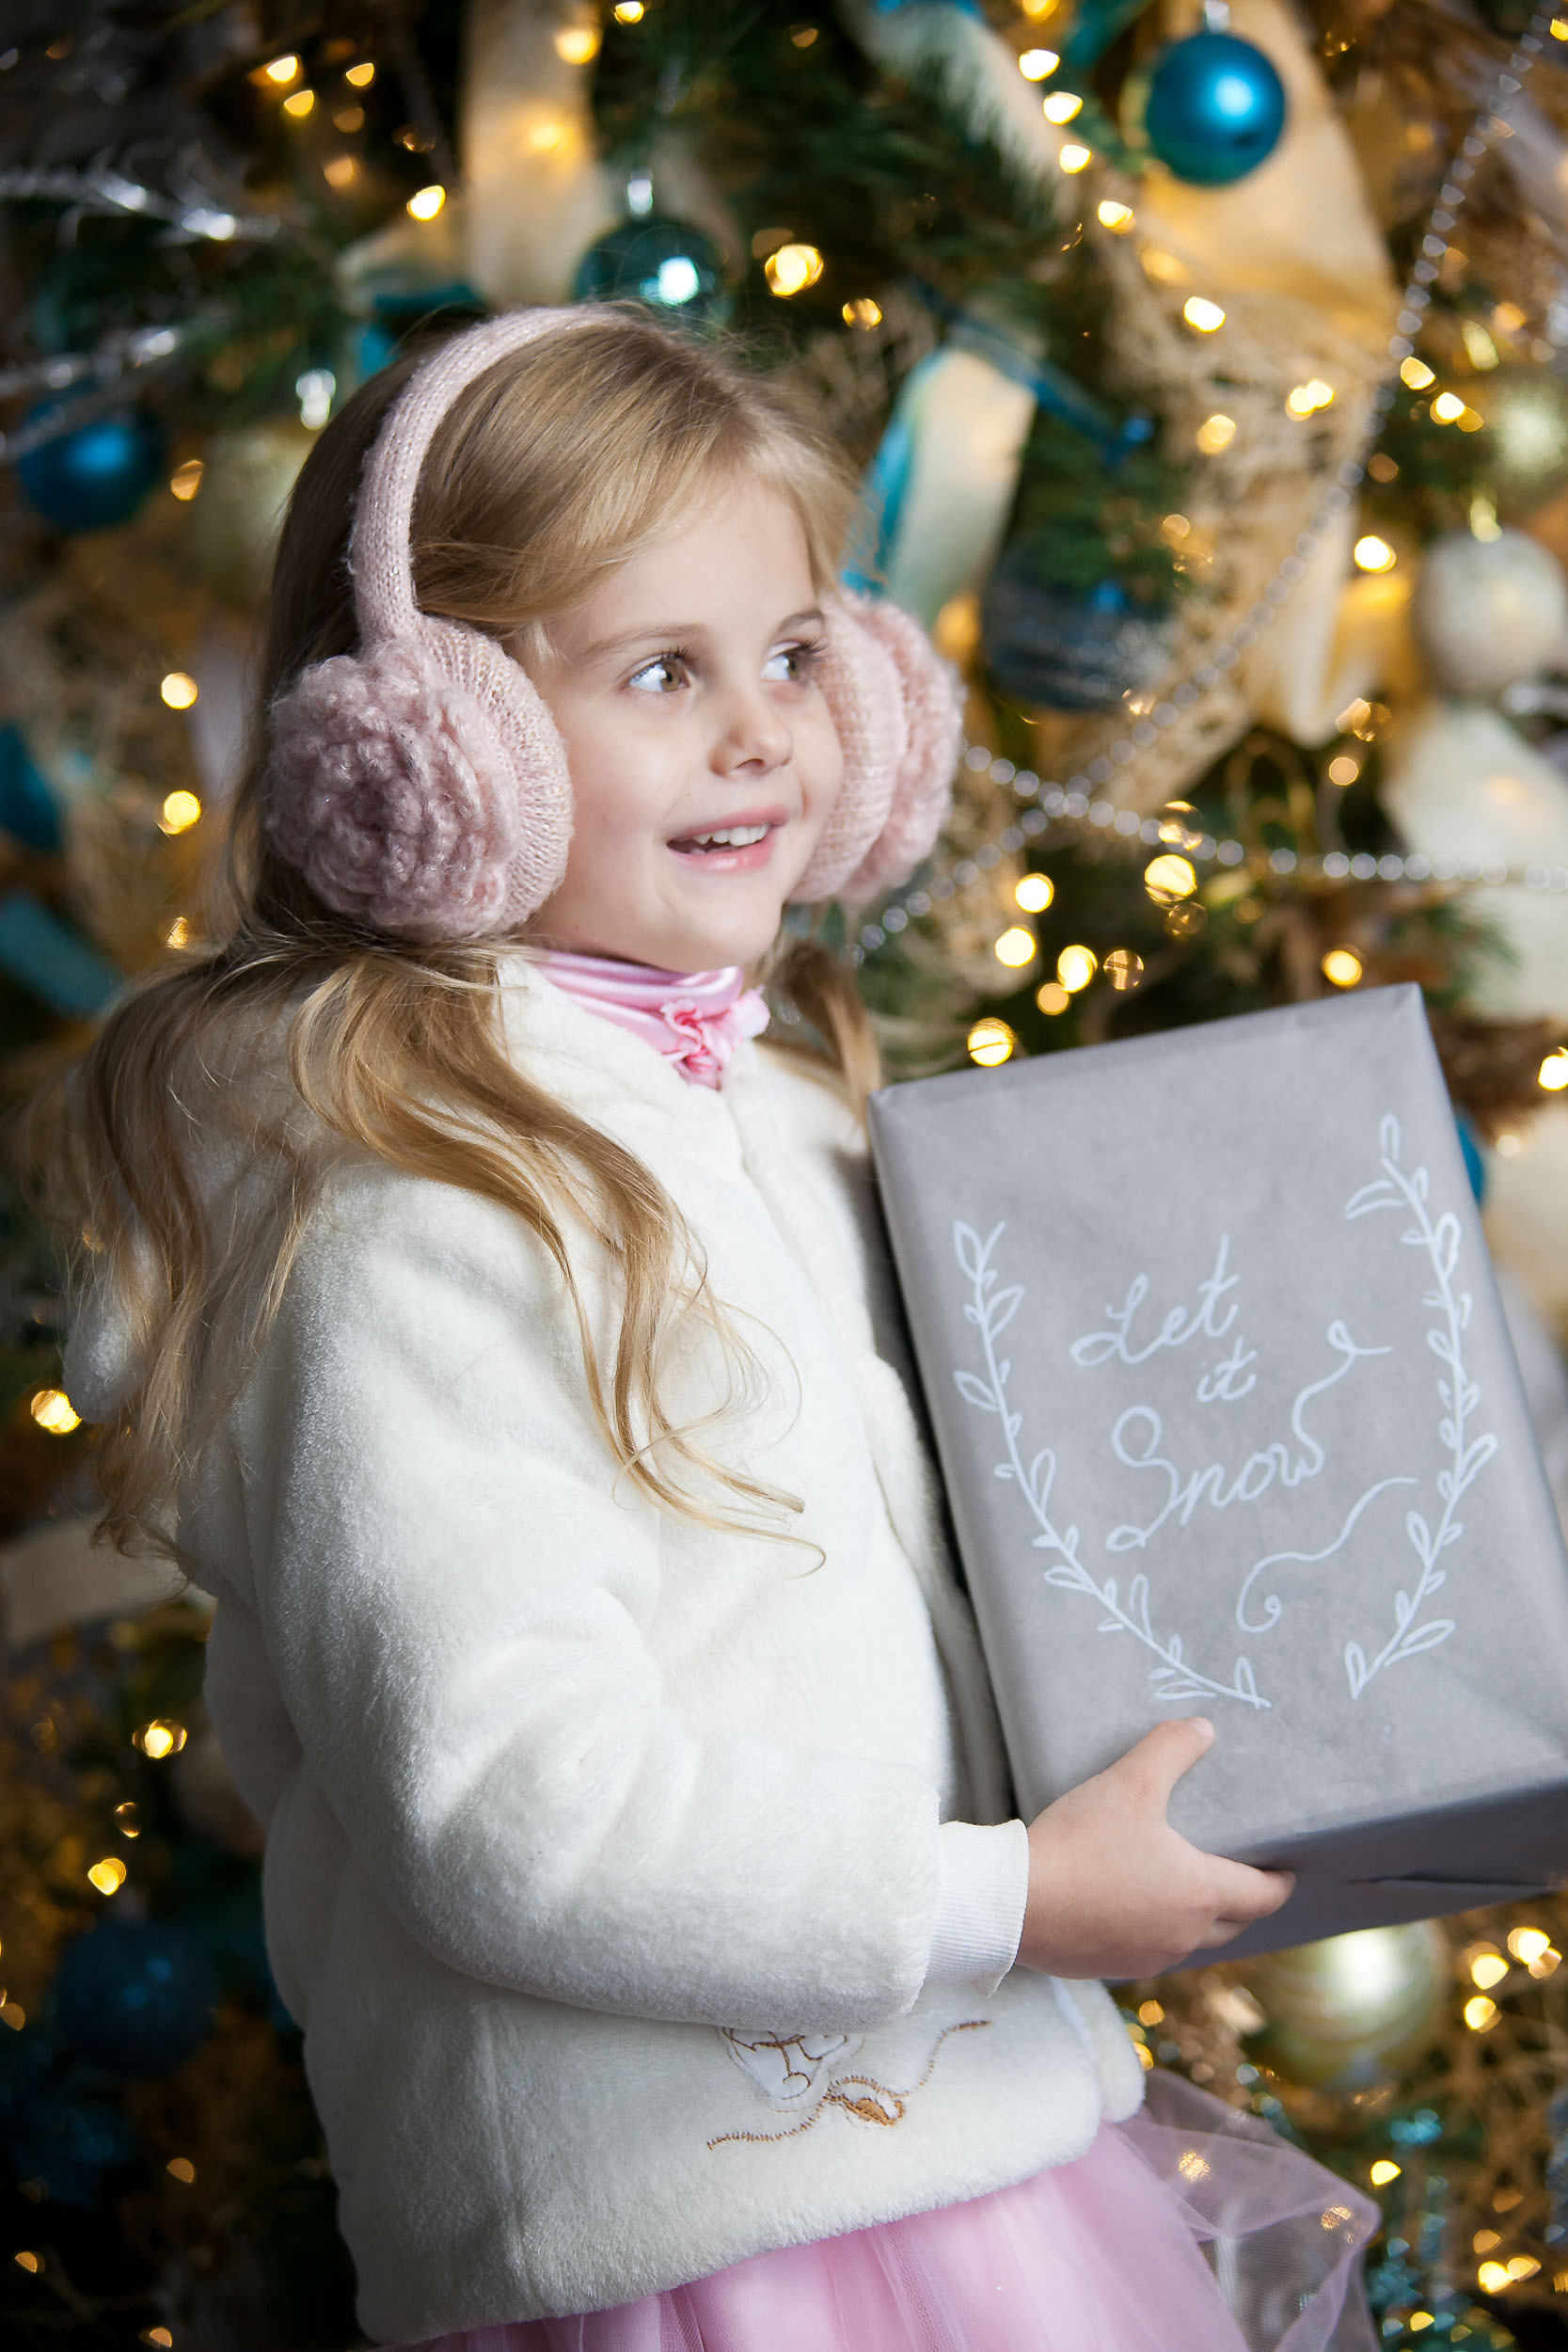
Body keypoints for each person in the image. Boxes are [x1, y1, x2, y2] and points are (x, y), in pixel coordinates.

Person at [52, 307, 1376, 2351]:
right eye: (663, 672)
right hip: (717, 2248)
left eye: (789, 656)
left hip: (968, 2137)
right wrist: (1006, 1900)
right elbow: (514, 1807)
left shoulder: (776, 1114)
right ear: (434, 752)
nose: (764, 732)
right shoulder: (414, 1207)